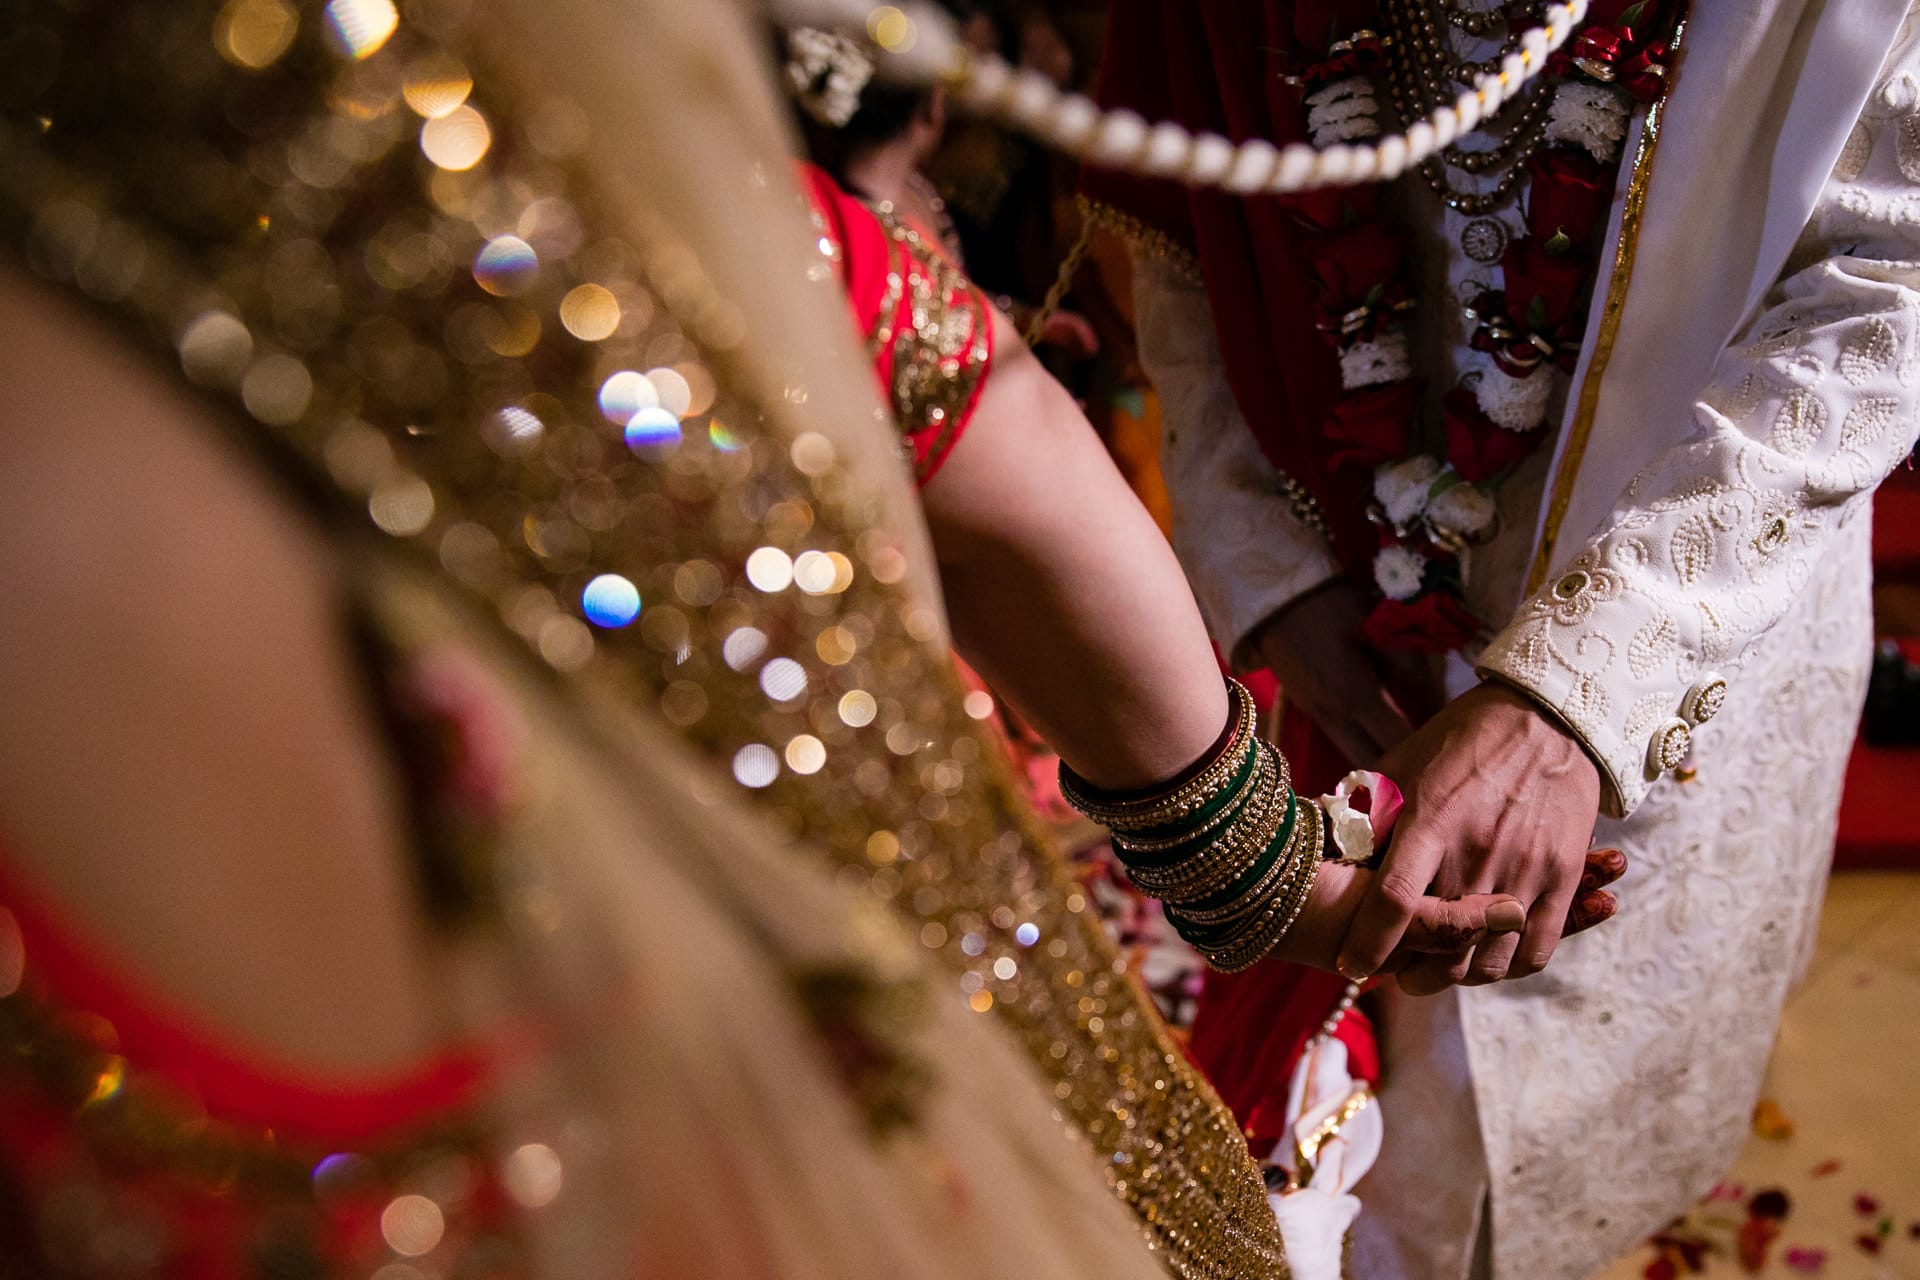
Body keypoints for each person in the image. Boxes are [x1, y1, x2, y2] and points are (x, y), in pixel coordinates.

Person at [0, 0, 1558, 1276]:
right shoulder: (405, 140)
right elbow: (970, 412)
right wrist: (1250, 866)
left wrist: (1253, 862)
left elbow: (959, 400)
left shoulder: (363, 143)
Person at [1089, 2, 1920, 1277]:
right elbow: (1191, 216)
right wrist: (1262, 566)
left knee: (1556, 1135)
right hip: (1347, 574)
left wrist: (1582, 689)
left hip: (1684, 614)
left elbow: (1886, 285)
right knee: (1345, 1151)